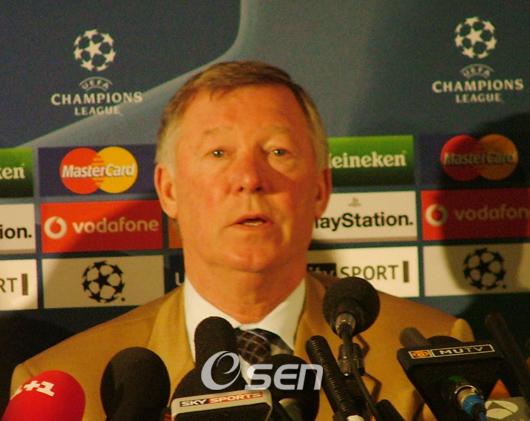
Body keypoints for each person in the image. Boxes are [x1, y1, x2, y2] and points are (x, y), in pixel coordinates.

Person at [11, 61, 474, 420]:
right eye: (218, 153)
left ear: (320, 189)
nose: (250, 178)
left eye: (278, 151)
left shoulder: (427, 355)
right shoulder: (69, 382)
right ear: (169, 190)